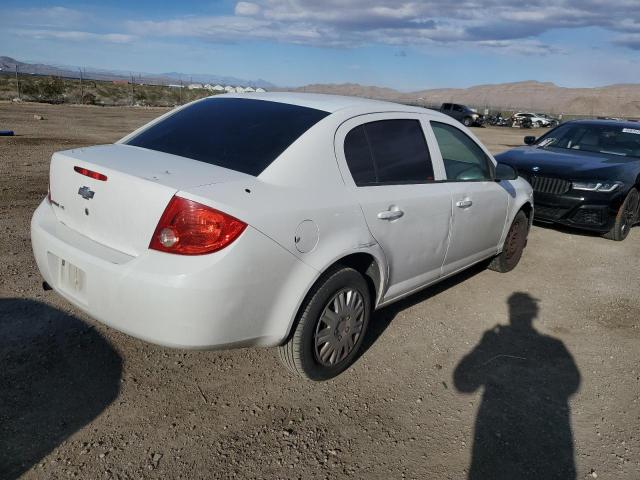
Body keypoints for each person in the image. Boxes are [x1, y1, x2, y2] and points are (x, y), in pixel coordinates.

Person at [454, 293, 580, 480]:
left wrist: (484, 344)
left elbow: (463, 384)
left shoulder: (497, 340)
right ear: (534, 312)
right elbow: (573, 383)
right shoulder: (554, 345)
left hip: (494, 436)